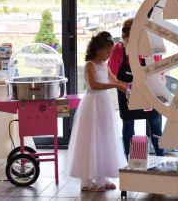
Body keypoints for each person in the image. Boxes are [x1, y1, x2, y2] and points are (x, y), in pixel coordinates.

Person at [67, 31, 128, 192]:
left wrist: (129, 85)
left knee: (104, 137)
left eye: (110, 52)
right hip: (92, 102)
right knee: (91, 138)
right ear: (97, 49)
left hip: (103, 103)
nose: (109, 55)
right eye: (107, 52)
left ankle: (103, 177)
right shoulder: (90, 65)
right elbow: (93, 85)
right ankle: (87, 181)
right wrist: (116, 86)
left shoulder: (104, 65)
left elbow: (115, 80)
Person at [108, 18, 164, 158]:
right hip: (126, 92)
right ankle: (129, 159)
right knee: (127, 124)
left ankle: (160, 157)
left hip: (149, 90)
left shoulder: (152, 48)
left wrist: (159, 89)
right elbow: (111, 74)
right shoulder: (118, 49)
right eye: (128, 41)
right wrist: (122, 86)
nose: (130, 45)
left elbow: (159, 73)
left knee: (155, 123)